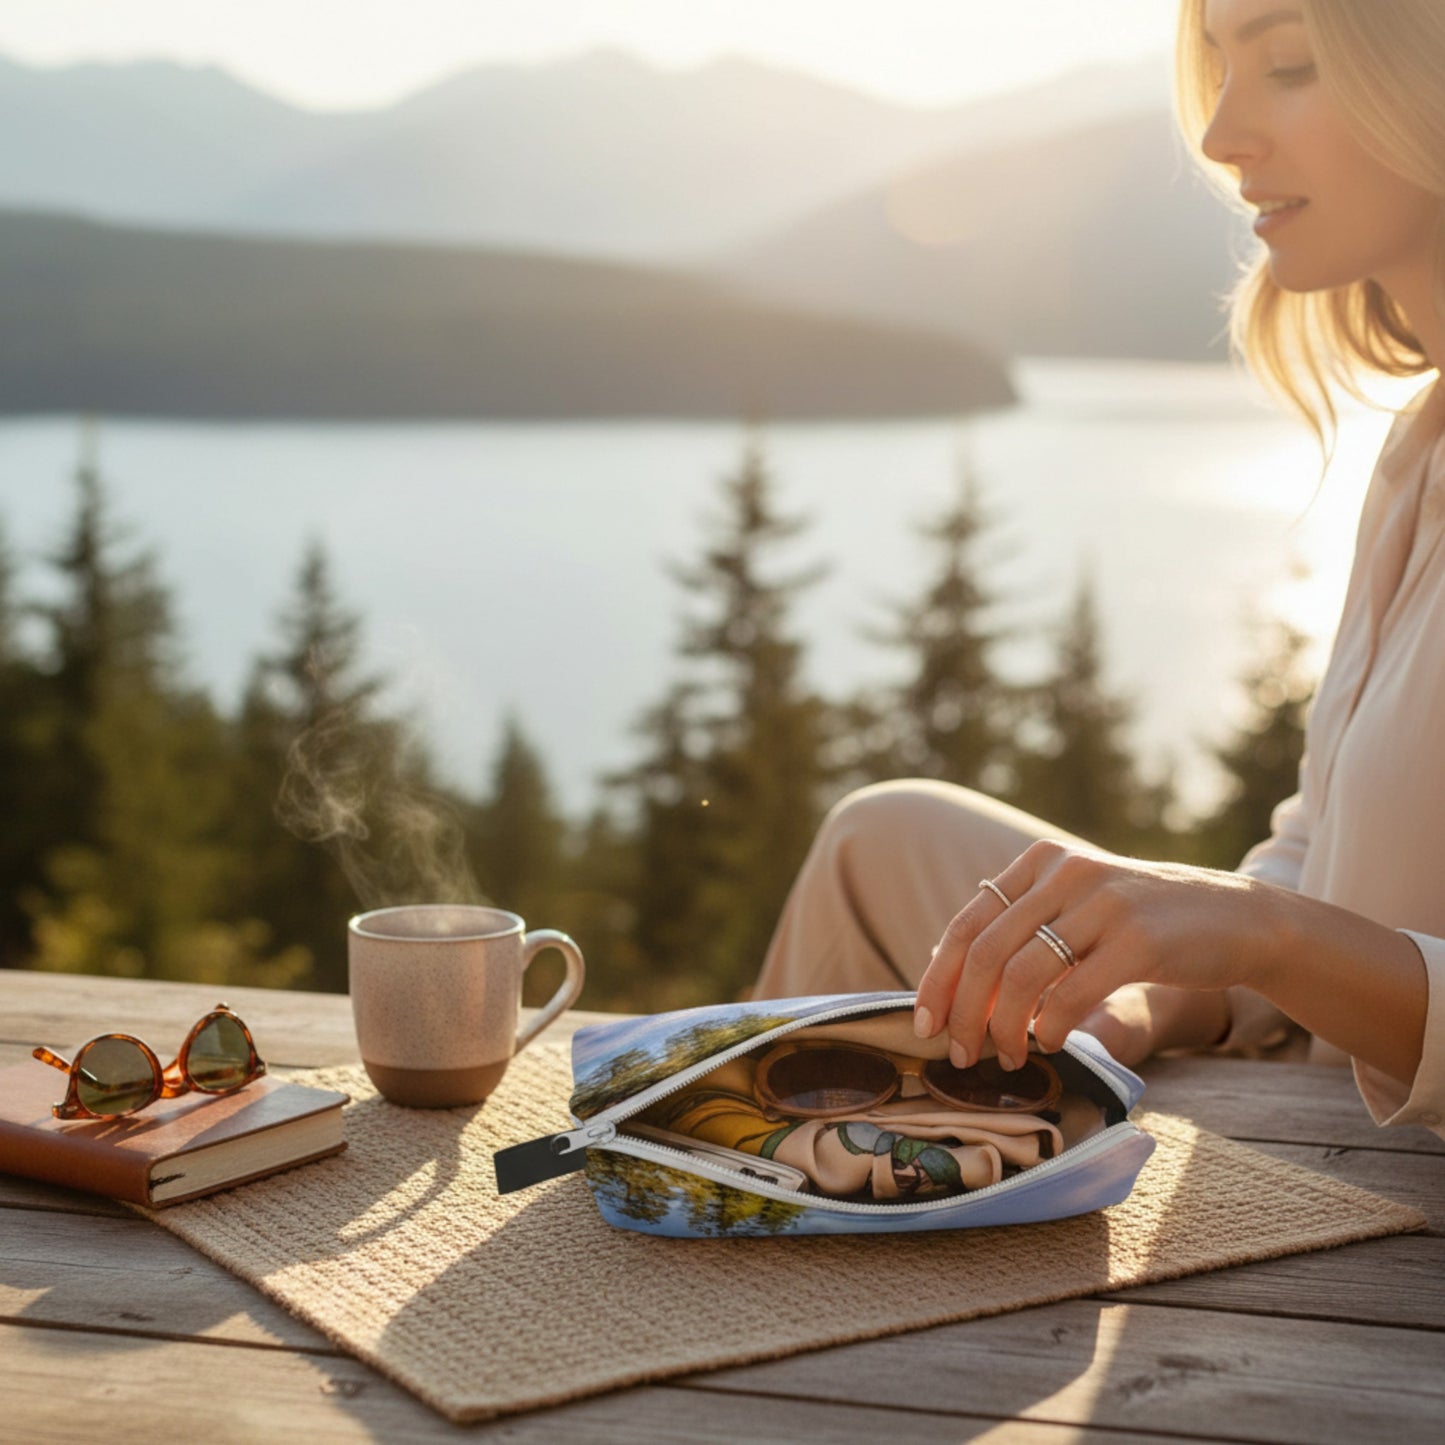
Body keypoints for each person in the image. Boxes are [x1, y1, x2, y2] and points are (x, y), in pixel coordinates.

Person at [753, 0, 1445, 1139]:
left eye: (1286, 65)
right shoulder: (1418, 443)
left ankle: (780, 1241)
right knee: (880, 839)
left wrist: (1257, 931)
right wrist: (1142, 992)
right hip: (1303, 1047)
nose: (1220, 135)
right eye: (1219, 70)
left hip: (1388, 1143)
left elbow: (1291, 918)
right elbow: (1322, 844)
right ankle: (773, 1189)